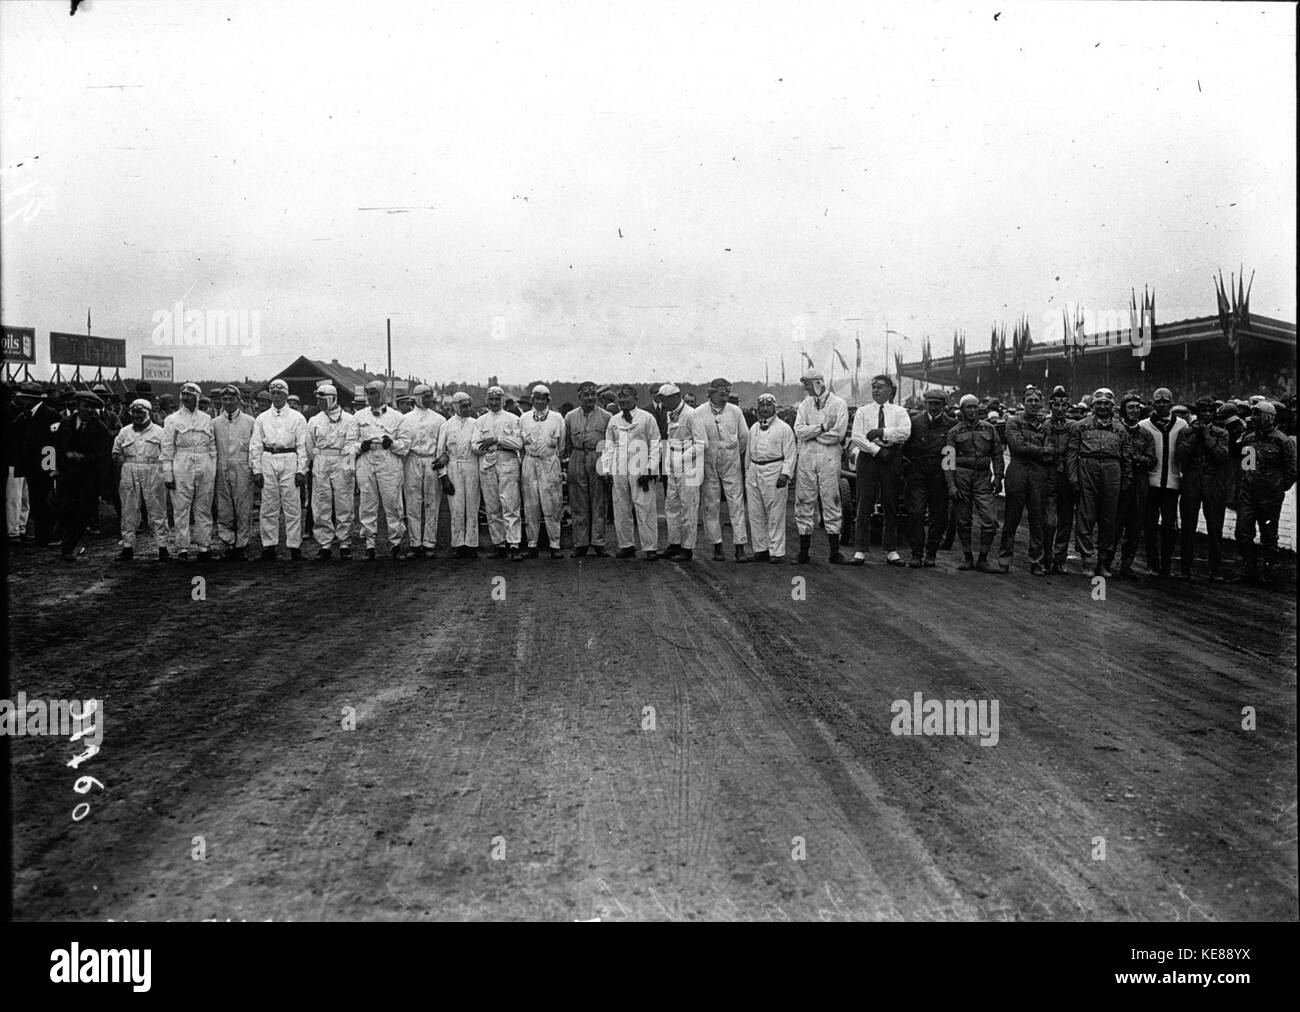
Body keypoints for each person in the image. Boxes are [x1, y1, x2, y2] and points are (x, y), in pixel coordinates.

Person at [1067, 387, 1131, 578]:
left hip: (1112, 469)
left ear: (1112, 406)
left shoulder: (1121, 428)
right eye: (1099, 403)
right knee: (1085, 515)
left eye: (1106, 404)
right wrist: (1073, 476)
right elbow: (1071, 454)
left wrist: (1126, 479)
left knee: (1109, 518)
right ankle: (1087, 560)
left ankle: (1104, 562)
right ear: (1093, 405)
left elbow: (1127, 456)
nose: (1103, 407)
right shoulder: (1080, 426)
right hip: (1088, 466)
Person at [849, 374, 911, 566]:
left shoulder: (899, 411)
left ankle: (891, 550)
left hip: (892, 458)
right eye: (873, 387)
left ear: (890, 390)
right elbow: (857, 437)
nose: (875, 390)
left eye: (880, 387)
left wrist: (882, 433)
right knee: (864, 502)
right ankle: (860, 550)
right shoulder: (863, 411)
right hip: (869, 459)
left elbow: (905, 433)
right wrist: (877, 450)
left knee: (891, 502)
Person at [1235, 401, 1297, 585]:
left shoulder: (1282, 440)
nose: (1253, 418)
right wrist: (1248, 484)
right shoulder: (1249, 439)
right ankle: (1250, 570)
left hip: (1270, 496)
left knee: (1269, 535)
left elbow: (1291, 470)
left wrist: (1277, 487)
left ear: (1269, 418)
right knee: (1243, 533)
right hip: (1249, 494)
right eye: (1253, 414)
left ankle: (1268, 572)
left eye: (1257, 414)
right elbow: (1247, 466)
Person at [792, 368, 848, 564]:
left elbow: (838, 434)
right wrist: (822, 428)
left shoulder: (838, 404)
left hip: (829, 457)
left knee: (831, 500)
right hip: (807, 456)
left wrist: (814, 433)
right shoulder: (805, 405)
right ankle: (804, 551)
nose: (806, 389)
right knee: (804, 500)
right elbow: (798, 430)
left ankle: (834, 551)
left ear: (817, 383)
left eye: (808, 385)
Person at [250, 378, 309, 560]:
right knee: (268, 505)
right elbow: (256, 445)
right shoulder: (262, 418)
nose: (276, 397)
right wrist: (257, 470)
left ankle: (294, 546)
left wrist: (301, 470)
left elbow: (302, 446)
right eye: (273, 393)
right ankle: (269, 546)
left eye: (280, 393)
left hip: (289, 458)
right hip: (268, 458)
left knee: (292, 505)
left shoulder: (297, 418)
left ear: (285, 395)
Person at [601, 383, 661, 559]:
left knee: (644, 506)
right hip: (618, 467)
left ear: (636, 398)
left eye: (626, 396)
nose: (623, 400)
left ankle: (650, 547)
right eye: (620, 397)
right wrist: (606, 469)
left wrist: (651, 468)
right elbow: (609, 445)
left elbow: (655, 444)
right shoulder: (614, 420)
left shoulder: (646, 418)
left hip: (640, 467)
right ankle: (626, 545)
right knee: (620, 507)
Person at [945, 394, 1004, 572]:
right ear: (961, 410)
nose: (972, 411)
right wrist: (951, 485)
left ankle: (983, 559)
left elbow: (998, 454)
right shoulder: (954, 432)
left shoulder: (989, 429)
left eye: (974, 407)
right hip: (961, 477)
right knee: (963, 520)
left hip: (982, 477)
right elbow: (948, 461)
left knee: (990, 521)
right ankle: (968, 558)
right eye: (968, 407)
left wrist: (999, 476)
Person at [996, 386, 1051, 575]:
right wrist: (1040, 451)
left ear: (1041, 403)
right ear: (1023, 402)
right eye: (1030, 401)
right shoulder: (1013, 422)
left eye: (1037, 401)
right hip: (1018, 471)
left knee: (1037, 519)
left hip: (1038, 474)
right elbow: (1017, 447)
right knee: (1012, 517)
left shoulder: (1046, 425)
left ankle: (1036, 561)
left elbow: (1051, 450)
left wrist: (1039, 451)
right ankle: (1004, 558)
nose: (1034, 404)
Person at [160, 381, 217, 562]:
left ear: (197, 398)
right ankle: (183, 547)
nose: (186, 398)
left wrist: (212, 469)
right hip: (181, 463)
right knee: (181, 507)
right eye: (183, 395)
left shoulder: (206, 419)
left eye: (190, 395)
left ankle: (203, 546)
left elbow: (213, 447)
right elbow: (167, 448)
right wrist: (168, 472)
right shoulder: (172, 420)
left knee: (203, 506)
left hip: (204, 463)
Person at [1175, 396, 1230, 581]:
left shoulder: (1222, 433)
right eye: (1203, 411)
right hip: (1191, 484)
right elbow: (1180, 455)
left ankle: (1216, 568)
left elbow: (1221, 457)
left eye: (1210, 411)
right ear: (1197, 412)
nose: (1207, 414)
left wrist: (1206, 437)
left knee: (1215, 528)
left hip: (1214, 485)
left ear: (1214, 413)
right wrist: (1195, 435)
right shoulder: (1186, 432)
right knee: (1188, 527)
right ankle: (1185, 567)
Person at [53, 391, 113, 561]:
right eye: (85, 406)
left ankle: (68, 548)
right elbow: (53, 448)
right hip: (65, 475)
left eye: (91, 407)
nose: (87, 410)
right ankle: (65, 539)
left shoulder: (100, 429)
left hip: (88, 478)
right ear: (78, 406)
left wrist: (84, 458)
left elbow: (104, 453)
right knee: (62, 508)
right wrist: (52, 468)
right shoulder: (66, 423)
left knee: (83, 513)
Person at [353, 379, 409, 560]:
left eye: (374, 393)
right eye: (368, 393)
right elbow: (349, 444)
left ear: (383, 394)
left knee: (393, 503)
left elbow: (405, 446)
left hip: (389, 462)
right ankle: (369, 545)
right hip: (366, 462)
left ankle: (396, 544)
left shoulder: (398, 417)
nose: (370, 397)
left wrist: (392, 444)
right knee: (367, 504)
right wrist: (362, 446)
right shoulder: (358, 417)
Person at [306, 382, 360, 561]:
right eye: (318, 399)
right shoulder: (314, 420)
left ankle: (344, 543)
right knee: (321, 502)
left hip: (342, 461)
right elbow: (309, 446)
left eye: (322, 399)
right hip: (321, 462)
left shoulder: (349, 419)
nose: (319, 402)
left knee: (344, 502)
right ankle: (325, 544)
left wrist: (348, 469)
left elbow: (351, 444)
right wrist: (317, 462)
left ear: (332, 398)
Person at [1137, 387, 1187, 578]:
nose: (1161, 405)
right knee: (1150, 525)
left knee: (1169, 526)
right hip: (1150, 483)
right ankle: (1152, 564)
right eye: (1158, 401)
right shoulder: (1143, 425)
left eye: (1165, 401)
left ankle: (1166, 565)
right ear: (1152, 403)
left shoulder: (1182, 425)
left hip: (1172, 484)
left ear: (1172, 403)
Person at [112, 398, 170, 561]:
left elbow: (166, 454)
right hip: (129, 471)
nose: (136, 416)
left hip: (153, 471)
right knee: (129, 510)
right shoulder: (125, 432)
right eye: (134, 412)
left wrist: (164, 474)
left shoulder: (160, 432)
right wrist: (122, 463)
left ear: (148, 413)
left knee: (157, 510)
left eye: (140, 413)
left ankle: (162, 547)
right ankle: (128, 547)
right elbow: (116, 452)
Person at [699, 377, 750, 562]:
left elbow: (744, 437)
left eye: (727, 392)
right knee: (711, 503)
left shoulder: (735, 411)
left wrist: (733, 452)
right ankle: (717, 546)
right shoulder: (700, 412)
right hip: (708, 461)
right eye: (721, 392)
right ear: (711, 393)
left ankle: (740, 547)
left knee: (736, 502)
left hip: (730, 460)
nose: (725, 395)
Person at [904, 387, 955, 567]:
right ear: (925, 404)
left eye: (937, 404)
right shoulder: (914, 422)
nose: (933, 407)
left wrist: (950, 480)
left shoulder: (951, 424)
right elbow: (905, 448)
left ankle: (931, 553)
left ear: (944, 405)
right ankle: (916, 554)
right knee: (916, 513)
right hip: (917, 473)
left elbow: (952, 453)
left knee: (939, 516)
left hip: (939, 475)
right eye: (930, 403)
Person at [745, 392, 797, 563]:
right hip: (754, 469)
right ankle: (760, 549)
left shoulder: (784, 428)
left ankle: (777, 551)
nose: (765, 409)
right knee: (755, 513)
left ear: (775, 407)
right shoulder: (753, 428)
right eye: (762, 406)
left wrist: (785, 474)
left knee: (775, 514)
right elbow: (748, 453)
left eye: (768, 406)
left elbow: (791, 454)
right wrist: (748, 473)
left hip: (774, 469)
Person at [474, 385, 524, 559]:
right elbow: (475, 446)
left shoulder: (512, 419)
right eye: (491, 399)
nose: (494, 403)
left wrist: (496, 439)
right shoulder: (480, 421)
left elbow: (518, 444)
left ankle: (514, 544)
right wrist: (495, 445)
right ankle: (499, 544)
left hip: (508, 464)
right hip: (487, 465)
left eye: (497, 399)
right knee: (492, 507)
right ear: (487, 400)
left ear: (503, 400)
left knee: (510, 505)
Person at [395, 383, 445, 559]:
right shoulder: (406, 419)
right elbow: (402, 443)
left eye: (431, 396)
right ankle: (415, 543)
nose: (430, 400)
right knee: (413, 502)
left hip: (432, 460)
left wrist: (442, 461)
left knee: (432, 501)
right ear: (417, 398)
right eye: (426, 397)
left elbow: (443, 444)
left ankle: (429, 542)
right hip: (412, 460)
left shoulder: (439, 419)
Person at [659, 383, 708, 562]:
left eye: (665, 400)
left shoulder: (691, 414)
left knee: (688, 507)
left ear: (674, 397)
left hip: (689, 466)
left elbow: (702, 443)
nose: (663, 404)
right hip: (673, 462)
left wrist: (682, 458)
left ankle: (687, 548)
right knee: (671, 505)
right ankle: (674, 543)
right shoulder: (670, 414)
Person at [564, 381, 612, 557]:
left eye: (593, 394)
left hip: (598, 456)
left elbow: (610, 444)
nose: (590, 397)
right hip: (577, 457)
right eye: (586, 394)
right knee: (578, 503)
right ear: (579, 397)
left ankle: (599, 542)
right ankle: (581, 543)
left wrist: (606, 468)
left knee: (599, 502)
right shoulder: (569, 417)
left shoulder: (607, 417)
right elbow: (566, 444)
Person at [519, 384, 566, 559]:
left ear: (548, 400)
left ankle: (555, 544)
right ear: (532, 400)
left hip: (549, 463)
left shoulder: (557, 418)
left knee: (552, 503)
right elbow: (521, 444)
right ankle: (532, 545)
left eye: (543, 399)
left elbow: (561, 446)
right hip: (530, 462)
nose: (539, 402)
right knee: (531, 505)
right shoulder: (523, 418)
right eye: (536, 399)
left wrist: (552, 460)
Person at [1114, 393, 1157, 578]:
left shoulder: (1146, 435)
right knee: (1114, 525)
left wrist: (1135, 458)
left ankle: (1126, 565)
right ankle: (1106, 562)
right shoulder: (1115, 430)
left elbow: (1152, 460)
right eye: (1131, 407)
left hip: (1139, 483)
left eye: (1137, 407)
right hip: (1118, 481)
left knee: (1135, 525)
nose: (1135, 411)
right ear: (1124, 409)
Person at [213, 384, 256, 561]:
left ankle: (242, 544)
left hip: (243, 466)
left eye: (232, 399)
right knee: (224, 506)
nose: (228, 402)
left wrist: (254, 468)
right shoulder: (214, 423)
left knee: (243, 506)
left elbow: (255, 448)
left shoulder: (250, 421)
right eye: (225, 399)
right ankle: (228, 541)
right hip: (222, 465)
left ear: (239, 400)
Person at [436, 391, 479, 557]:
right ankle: (458, 544)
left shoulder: (476, 424)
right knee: (456, 506)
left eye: (469, 405)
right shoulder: (446, 426)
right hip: (453, 466)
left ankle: (472, 544)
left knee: (473, 505)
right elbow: (440, 453)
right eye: (463, 406)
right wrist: (443, 476)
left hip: (472, 464)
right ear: (455, 407)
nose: (467, 408)